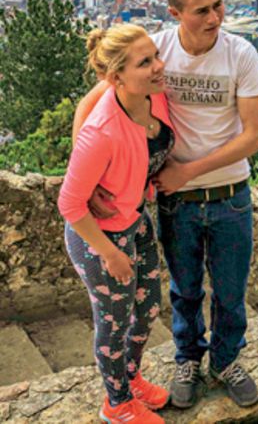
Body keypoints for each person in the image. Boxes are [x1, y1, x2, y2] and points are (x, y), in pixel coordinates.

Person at [74, 0, 258, 410]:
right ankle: (188, 360)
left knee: (232, 291)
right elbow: (91, 105)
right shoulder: (155, 53)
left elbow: (253, 137)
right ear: (176, 12)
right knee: (184, 291)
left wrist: (188, 171)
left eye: (218, 5)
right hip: (176, 201)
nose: (214, 18)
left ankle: (225, 360)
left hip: (229, 196)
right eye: (201, 10)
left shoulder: (241, 54)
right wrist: (84, 178)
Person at [58, 24, 173, 424]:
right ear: (116, 78)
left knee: (149, 309)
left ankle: (131, 376)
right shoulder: (102, 131)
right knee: (113, 320)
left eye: (156, 55)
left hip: (135, 221)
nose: (159, 67)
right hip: (99, 238)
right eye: (146, 63)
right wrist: (109, 254)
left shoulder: (152, 97)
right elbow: (70, 202)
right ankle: (117, 403)